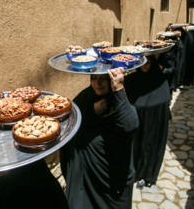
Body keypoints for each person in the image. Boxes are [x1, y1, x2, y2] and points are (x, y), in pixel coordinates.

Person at [60, 68, 139, 209]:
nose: (97, 83)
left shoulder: (119, 99)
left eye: (103, 78)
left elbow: (130, 124)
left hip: (108, 178)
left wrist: (118, 89)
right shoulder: (86, 97)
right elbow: (70, 120)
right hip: (86, 175)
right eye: (94, 78)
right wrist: (91, 111)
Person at [124, 56, 171, 188]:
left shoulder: (159, 81)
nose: (144, 66)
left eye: (148, 63)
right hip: (137, 121)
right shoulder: (132, 80)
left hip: (153, 122)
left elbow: (163, 103)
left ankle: (146, 174)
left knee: (148, 146)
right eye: (141, 63)